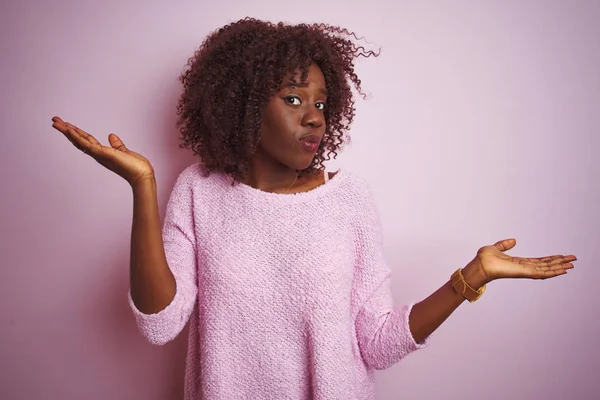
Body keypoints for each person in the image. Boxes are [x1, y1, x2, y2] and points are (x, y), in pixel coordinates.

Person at [51, 18, 576, 400]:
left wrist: (472, 275)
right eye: (294, 99)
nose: (314, 119)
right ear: (244, 103)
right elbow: (161, 324)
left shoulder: (348, 200)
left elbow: (374, 345)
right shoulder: (199, 192)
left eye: (322, 103)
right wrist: (143, 186)